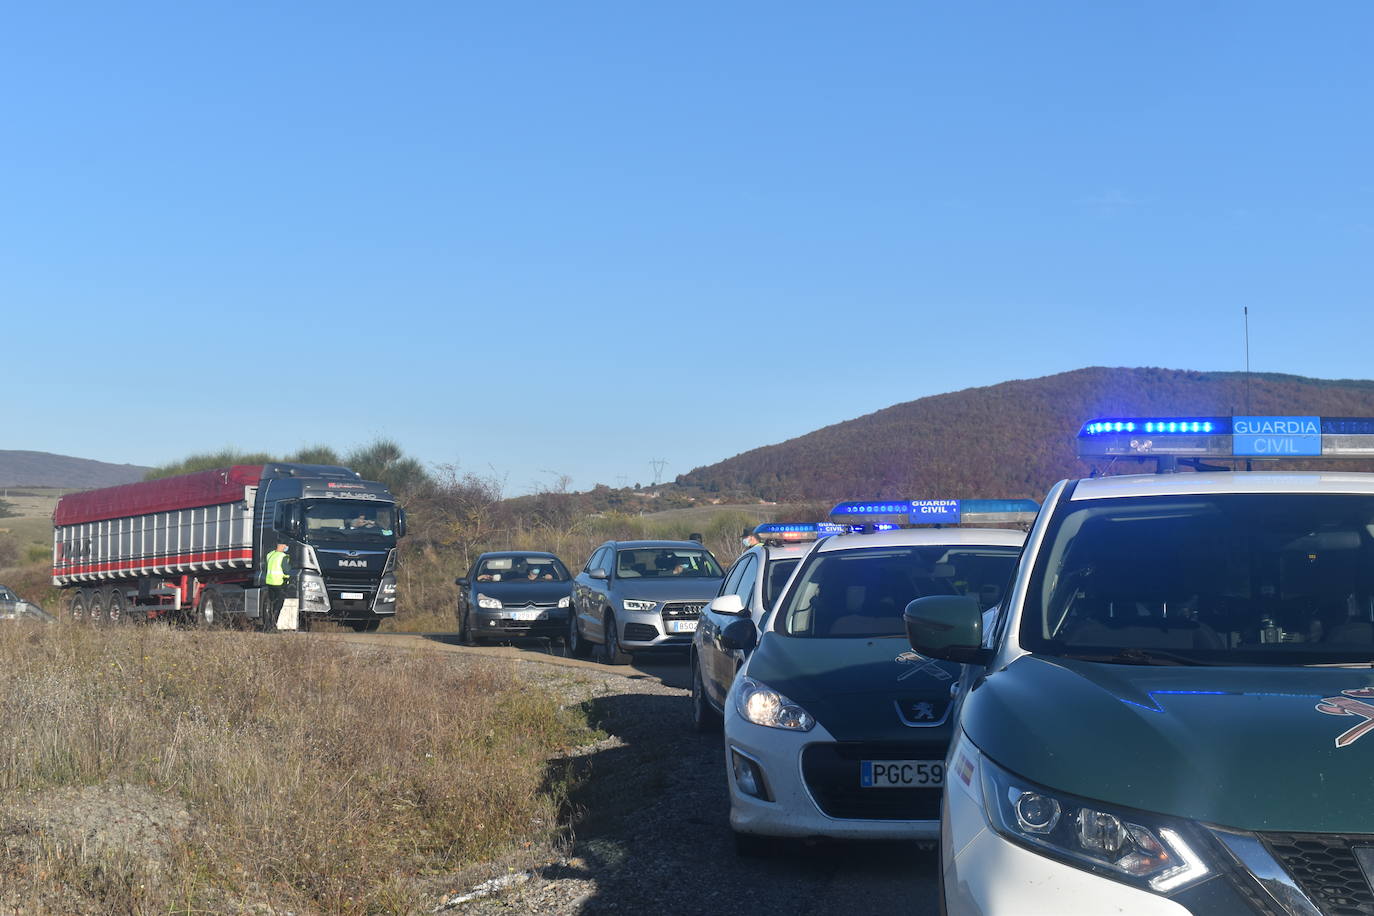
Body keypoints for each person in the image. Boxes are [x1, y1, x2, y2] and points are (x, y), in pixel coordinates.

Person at [264, 542, 291, 632]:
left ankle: (267, 626)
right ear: (282, 545)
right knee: (278, 605)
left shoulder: (270, 555)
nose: (286, 547)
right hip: (279, 583)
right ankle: (273, 626)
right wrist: (288, 577)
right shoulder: (283, 556)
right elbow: (286, 571)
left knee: (271, 604)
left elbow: (266, 568)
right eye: (286, 546)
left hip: (269, 582)